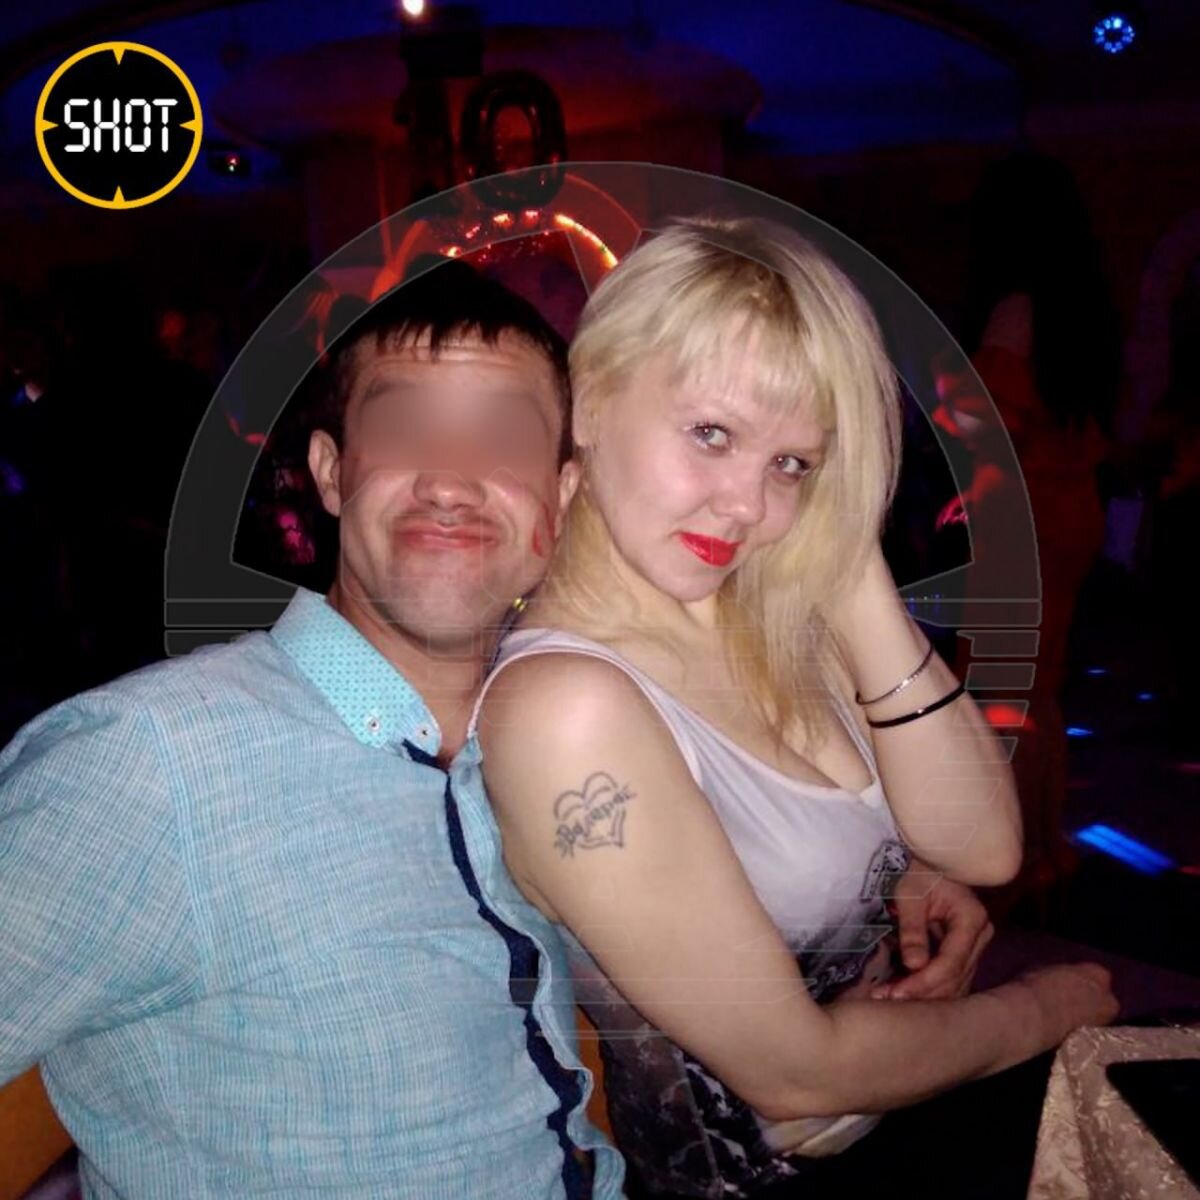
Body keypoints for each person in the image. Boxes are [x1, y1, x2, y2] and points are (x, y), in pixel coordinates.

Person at [474, 217, 1119, 1199]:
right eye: (712, 434)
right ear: (592, 398)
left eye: (793, 465)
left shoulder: (761, 602)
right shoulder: (565, 708)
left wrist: (851, 568)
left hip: (916, 1114)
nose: (747, 506)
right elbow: (793, 1074)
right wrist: (1045, 1005)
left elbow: (986, 848)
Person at [0, 259, 624, 1199]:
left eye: (504, 437)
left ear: (562, 495)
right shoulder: (147, 762)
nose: (451, 479)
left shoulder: (548, 742)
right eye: (404, 428)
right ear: (332, 474)